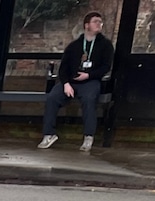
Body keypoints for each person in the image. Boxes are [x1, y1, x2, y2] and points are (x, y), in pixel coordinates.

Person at [39, 12, 114, 152]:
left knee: (89, 99)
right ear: (87, 25)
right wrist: (66, 84)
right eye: (95, 21)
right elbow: (63, 68)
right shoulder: (74, 46)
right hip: (71, 81)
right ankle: (49, 134)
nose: (99, 24)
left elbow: (106, 66)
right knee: (52, 98)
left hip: (90, 81)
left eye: (100, 22)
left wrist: (89, 75)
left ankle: (88, 136)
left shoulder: (105, 45)